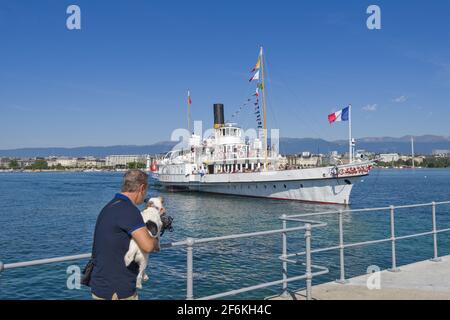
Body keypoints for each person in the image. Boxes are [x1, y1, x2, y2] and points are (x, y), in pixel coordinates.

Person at [90, 170, 158, 300]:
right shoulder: (129, 210)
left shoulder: (109, 206)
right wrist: (156, 239)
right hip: (118, 290)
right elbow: (148, 246)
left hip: (100, 285)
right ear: (142, 188)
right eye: (146, 190)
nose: (145, 196)